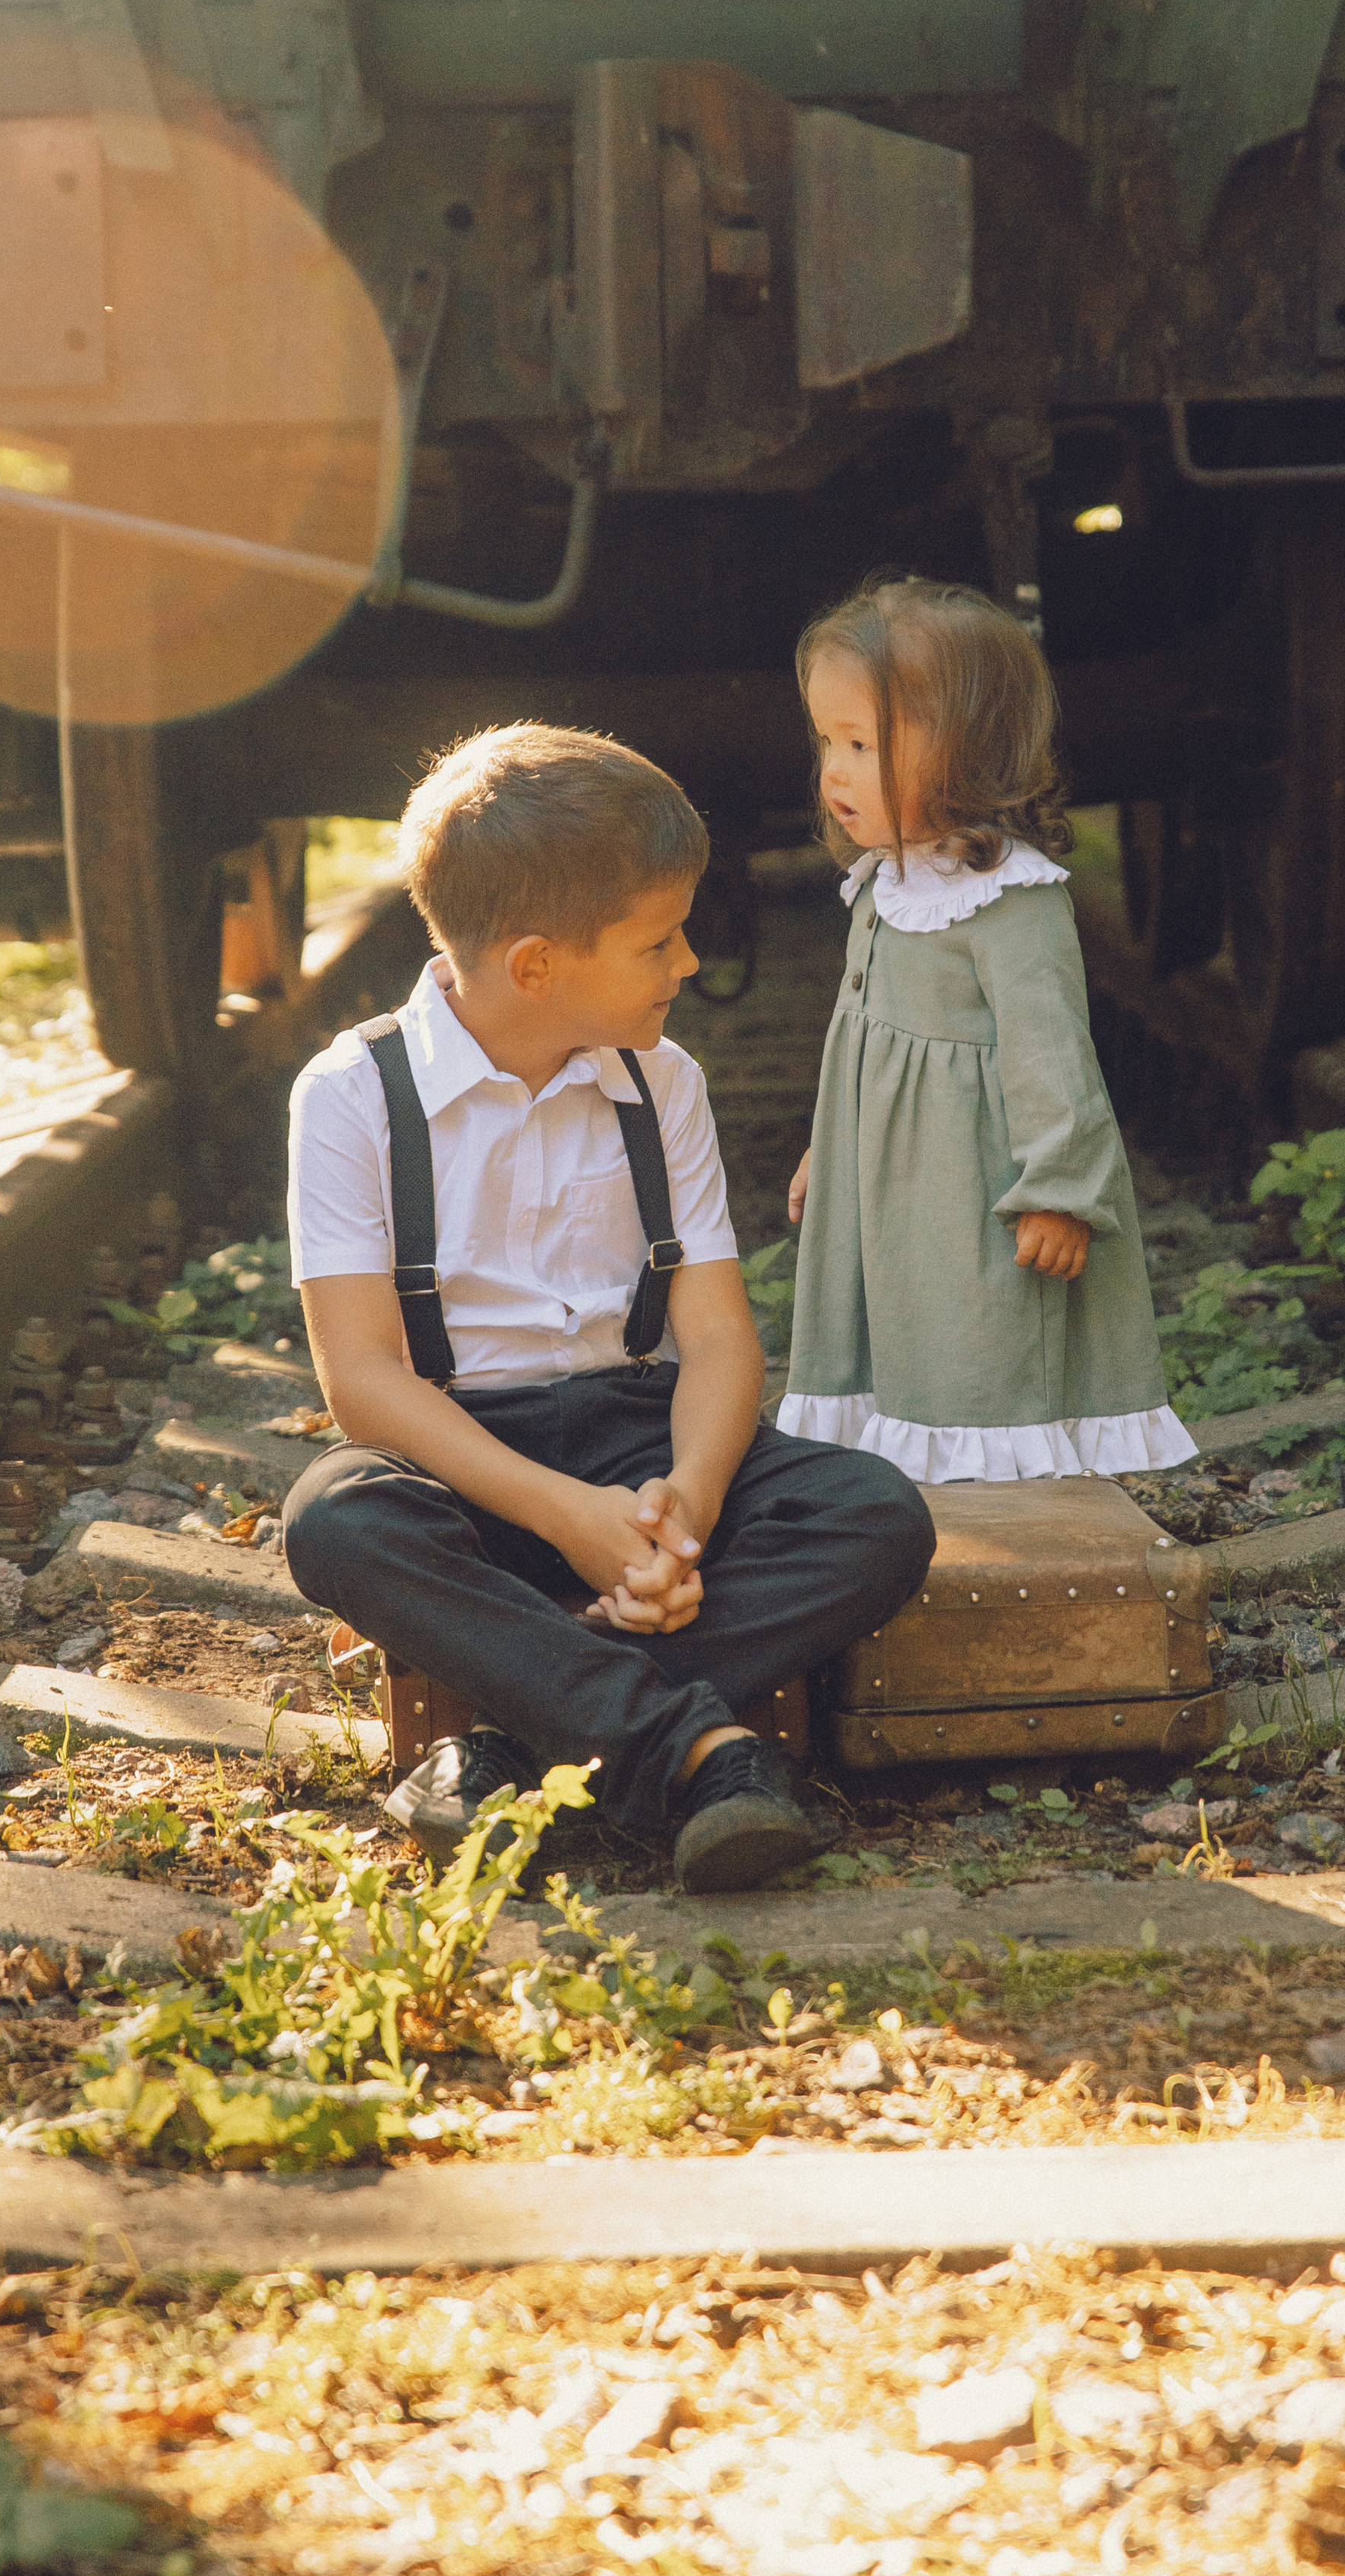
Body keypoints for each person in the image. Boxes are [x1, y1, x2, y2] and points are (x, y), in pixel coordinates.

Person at [281, 722, 935, 1894]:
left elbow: (718, 1337)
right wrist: (568, 1519)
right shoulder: (353, 1094)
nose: (688, 962)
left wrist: (686, 1506)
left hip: (637, 1444)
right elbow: (364, 1382)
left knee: (873, 1514)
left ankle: (517, 1733)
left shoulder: (661, 1081)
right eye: (658, 940)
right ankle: (695, 1750)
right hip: (464, 1462)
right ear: (538, 966)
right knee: (336, 1518)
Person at [779, 573, 1197, 1487]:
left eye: (862, 744)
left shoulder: (1011, 901)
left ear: (968, 751)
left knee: (976, 1319)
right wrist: (829, 1144)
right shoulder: (884, 880)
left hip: (974, 1179)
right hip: (889, 1173)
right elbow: (858, 1031)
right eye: (828, 742)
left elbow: (1055, 1058)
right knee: (902, 1311)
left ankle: (995, 1477)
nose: (835, 771)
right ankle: (909, 1462)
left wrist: (1059, 1189)